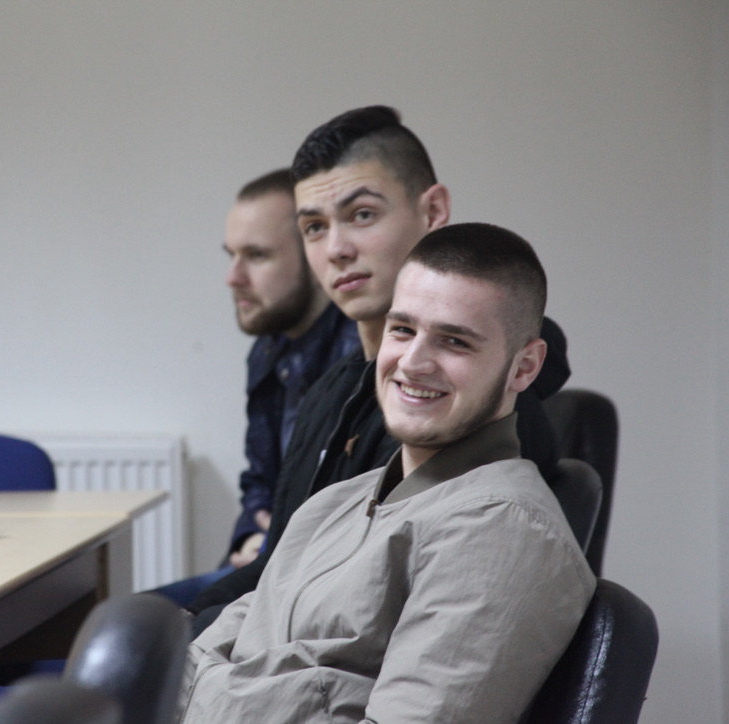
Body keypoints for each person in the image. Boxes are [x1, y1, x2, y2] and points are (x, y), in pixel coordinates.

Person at [178, 223, 595, 724]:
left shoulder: (501, 529)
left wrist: (224, 691)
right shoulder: (332, 504)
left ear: (524, 367)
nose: (412, 363)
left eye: (454, 341)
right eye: (402, 330)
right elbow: (187, 669)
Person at [186, 106, 570, 629]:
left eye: (362, 215)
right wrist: (182, 625)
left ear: (433, 211)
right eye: (314, 227)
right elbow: (279, 564)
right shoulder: (331, 391)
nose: (337, 250)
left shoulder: (460, 408)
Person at [157, 170, 358, 606]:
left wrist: (269, 543)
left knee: (142, 628)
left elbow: (347, 507)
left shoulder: (362, 355)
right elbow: (260, 480)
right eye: (231, 255)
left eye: (256, 256)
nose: (233, 277)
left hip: (317, 584)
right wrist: (250, 533)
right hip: (263, 564)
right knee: (130, 617)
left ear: (315, 256)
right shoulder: (268, 350)